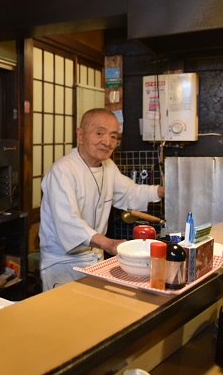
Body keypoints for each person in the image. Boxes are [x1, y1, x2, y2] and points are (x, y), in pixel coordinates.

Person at [39, 108, 164, 291]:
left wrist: (162, 191)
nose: (107, 142)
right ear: (80, 135)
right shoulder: (63, 171)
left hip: (95, 259)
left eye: (113, 136)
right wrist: (109, 244)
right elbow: (68, 222)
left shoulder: (108, 166)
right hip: (63, 264)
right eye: (99, 133)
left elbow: (129, 192)